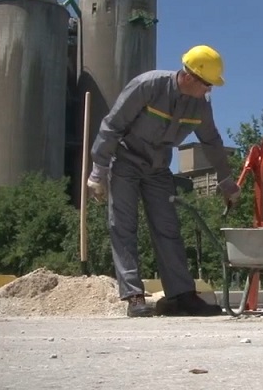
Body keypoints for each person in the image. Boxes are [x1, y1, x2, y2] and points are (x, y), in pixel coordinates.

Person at [86, 45, 242, 317]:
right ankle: (134, 297)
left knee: (168, 228)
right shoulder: (148, 86)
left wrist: (226, 181)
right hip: (125, 161)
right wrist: (98, 170)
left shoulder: (200, 105)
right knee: (123, 227)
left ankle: (181, 296)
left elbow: (211, 141)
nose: (209, 90)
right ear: (190, 76)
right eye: (207, 84)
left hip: (158, 168)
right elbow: (113, 125)